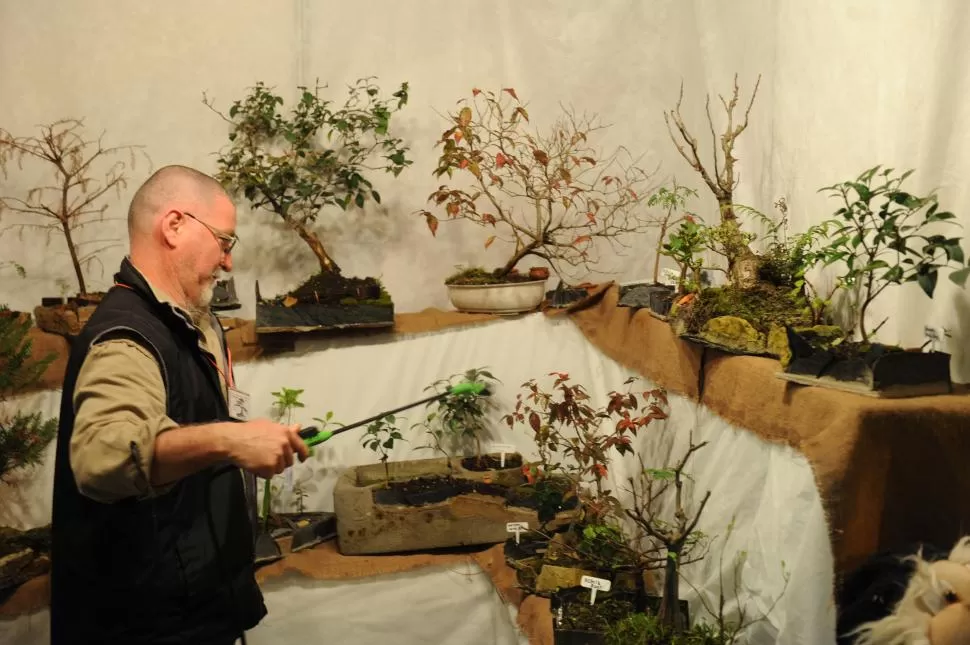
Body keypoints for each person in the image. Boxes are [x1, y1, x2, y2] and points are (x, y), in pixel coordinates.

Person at [50, 165, 310, 645]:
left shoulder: (191, 321)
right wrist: (230, 439)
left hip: (200, 611)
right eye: (224, 242)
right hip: (147, 627)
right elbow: (101, 457)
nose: (228, 262)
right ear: (174, 225)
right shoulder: (126, 337)